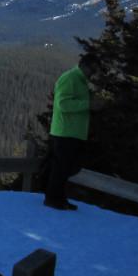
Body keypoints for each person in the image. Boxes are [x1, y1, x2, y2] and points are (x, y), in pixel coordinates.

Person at [44, 53, 100, 211]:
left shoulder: (80, 81)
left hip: (72, 133)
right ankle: (53, 199)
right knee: (61, 168)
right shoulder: (70, 78)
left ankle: (59, 199)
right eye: (93, 69)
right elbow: (63, 104)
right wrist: (88, 104)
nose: (94, 73)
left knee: (67, 168)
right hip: (64, 132)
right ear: (85, 66)